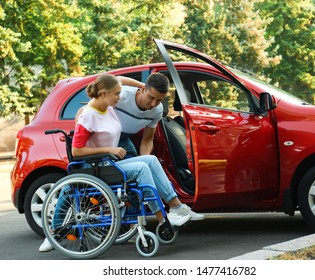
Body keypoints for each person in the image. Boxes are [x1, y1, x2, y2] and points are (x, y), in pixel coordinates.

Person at [39, 73, 202, 252]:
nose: (120, 95)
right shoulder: (89, 116)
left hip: (110, 160)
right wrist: (109, 149)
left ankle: (176, 208)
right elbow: (76, 151)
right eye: (116, 93)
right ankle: (162, 219)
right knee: (140, 168)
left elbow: (115, 80)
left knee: (151, 160)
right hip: (98, 164)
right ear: (104, 94)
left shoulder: (108, 107)